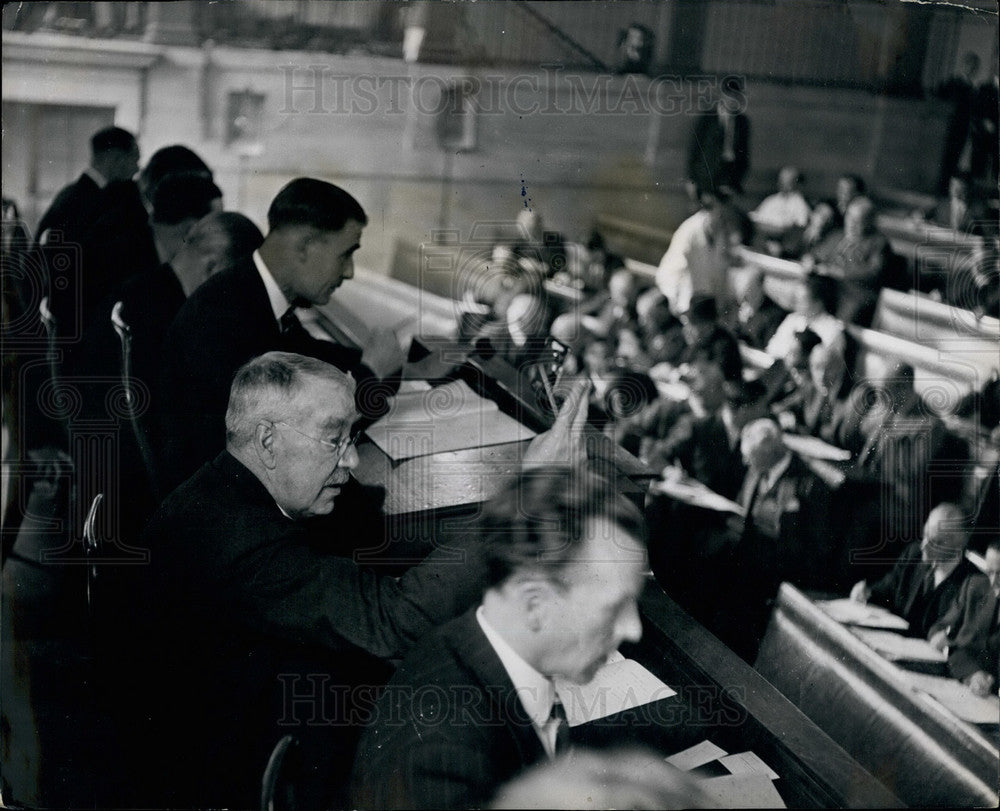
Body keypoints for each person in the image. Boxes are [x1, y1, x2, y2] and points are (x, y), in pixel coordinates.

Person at [122, 352, 593, 808]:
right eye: (334, 439)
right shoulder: (237, 539)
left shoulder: (236, 491)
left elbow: (373, 558)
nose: (350, 460)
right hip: (232, 767)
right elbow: (394, 624)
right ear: (267, 441)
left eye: (352, 436)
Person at [350, 465, 649, 809]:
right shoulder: (440, 760)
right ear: (535, 604)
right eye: (613, 608)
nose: (633, 629)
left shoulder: (471, 645)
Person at [158, 177, 406, 489]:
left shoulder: (251, 293)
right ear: (304, 247)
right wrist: (371, 372)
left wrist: (400, 364)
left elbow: (312, 355)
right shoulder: (223, 315)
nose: (350, 271)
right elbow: (288, 438)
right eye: (345, 254)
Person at [850, 503, 975, 638]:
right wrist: (867, 593)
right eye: (925, 534)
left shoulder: (970, 582)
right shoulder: (913, 555)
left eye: (936, 542)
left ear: (959, 545)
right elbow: (887, 589)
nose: (924, 545)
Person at [34, 125, 139, 247]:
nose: (137, 169)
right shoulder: (84, 200)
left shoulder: (74, 194)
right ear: (115, 157)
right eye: (135, 159)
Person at [928, 538, 1000, 697]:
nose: (993, 582)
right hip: (964, 690)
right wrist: (973, 674)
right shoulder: (975, 587)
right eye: (989, 572)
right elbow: (942, 630)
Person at [656, 196, 746, 317]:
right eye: (719, 213)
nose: (722, 219)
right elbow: (668, 273)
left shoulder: (725, 236)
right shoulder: (689, 232)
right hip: (686, 307)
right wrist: (678, 301)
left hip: (714, 309)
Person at [810, 196, 893, 326]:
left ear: (869, 222)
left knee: (839, 325)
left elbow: (874, 272)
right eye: (849, 217)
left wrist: (841, 273)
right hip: (830, 287)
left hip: (854, 293)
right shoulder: (838, 234)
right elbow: (817, 253)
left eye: (857, 220)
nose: (851, 224)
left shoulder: (879, 243)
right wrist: (810, 259)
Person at [686, 76, 750, 199]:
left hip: (729, 177)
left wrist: (738, 179)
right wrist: (691, 179)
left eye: (736, 96)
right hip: (707, 176)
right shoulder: (707, 118)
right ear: (722, 95)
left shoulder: (742, 122)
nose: (732, 100)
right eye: (729, 95)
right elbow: (694, 149)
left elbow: (745, 153)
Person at [765, 273, 844, 358]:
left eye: (802, 301)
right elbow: (772, 347)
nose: (796, 305)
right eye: (796, 300)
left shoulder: (832, 329)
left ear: (818, 303)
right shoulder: (793, 319)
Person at [936, 51, 980, 195]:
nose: (971, 70)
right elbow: (939, 100)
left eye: (974, 67)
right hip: (949, 127)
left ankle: (947, 188)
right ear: (963, 66)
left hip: (963, 129)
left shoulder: (973, 88)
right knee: (946, 158)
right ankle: (940, 188)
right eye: (969, 66)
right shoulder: (952, 83)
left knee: (955, 159)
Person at [679, 294, 742, 383]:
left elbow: (715, 378)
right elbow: (686, 361)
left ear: (708, 324)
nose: (690, 328)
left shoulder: (724, 343)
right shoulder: (700, 341)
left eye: (694, 324)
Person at [733, 268, 787, 350]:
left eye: (748, 290)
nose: (743, 297)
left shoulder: (776, 314)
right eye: (740, 290)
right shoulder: (744, 306)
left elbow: (766, 350)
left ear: (760, 287)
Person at [750, 166, 811, 234]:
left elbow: (800, 225)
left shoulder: (799, 204)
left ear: (794, 182)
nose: (782, 183)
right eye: (781, 180)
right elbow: (757, 216)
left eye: (786, 180)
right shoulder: (771, 200)